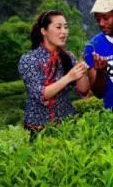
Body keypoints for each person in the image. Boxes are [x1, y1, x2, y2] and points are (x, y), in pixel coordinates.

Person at [18, 10, 90, 138]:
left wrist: (82, 71)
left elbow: (84, 91)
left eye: (66, 27)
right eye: (58, 27)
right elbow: (41, 94)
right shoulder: (28, 60)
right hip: (38, 128)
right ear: (43, 31)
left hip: (67, 124)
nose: (64, 32)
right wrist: (68, 78)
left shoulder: (68, 57)